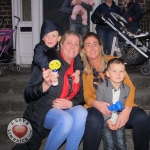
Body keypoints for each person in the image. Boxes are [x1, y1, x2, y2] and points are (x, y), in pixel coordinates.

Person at [12, 30, 88, 150]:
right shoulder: (48, 62)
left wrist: (71, 103)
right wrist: (45, 85)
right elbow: (28, 93)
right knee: (66, 120)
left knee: (82, 112)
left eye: (76, 44)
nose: (72, 47)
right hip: (42, 110)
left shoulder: (78, 68)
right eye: (69, 42)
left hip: (64, 109)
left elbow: (81, 95)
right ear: (61, 44)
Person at [80, 32, 150, 150]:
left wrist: (126, 109)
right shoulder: (84, 71)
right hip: (98, 108)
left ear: (100, 46)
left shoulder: (113, 61)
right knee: (93, 119)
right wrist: (96, 103)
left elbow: (130, 87)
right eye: (88, 45)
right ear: (83, 50)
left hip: (120, 105)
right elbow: (87, 94)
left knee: (142, 118)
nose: (92, 48)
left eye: (95, 44)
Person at [31, 19, 81, 83]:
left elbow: (76, 56)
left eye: (53, 36)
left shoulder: (59, 46)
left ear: (59, 38)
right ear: (43, 38)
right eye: (46, 35)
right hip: (39, 76)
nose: (50, 38)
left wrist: (77, 71)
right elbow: (39, 58)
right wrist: (47, 67)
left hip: (53, 75)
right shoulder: (39, 47)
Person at [96, 58, 129, 150]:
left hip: (119, 121)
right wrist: (108, 120)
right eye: (114, 71)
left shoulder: (127, 89)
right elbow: (100, 106)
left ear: (125, 74)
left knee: (121, 143)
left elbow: (126, 106)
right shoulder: (101, 87)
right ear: (107, 73)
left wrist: (120, 119)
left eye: (121, 71)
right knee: (109, 144)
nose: (118, 74)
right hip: (106, 120)